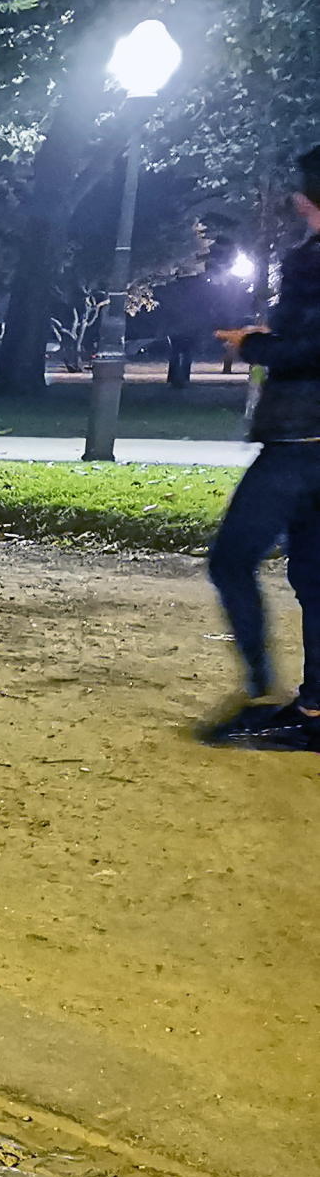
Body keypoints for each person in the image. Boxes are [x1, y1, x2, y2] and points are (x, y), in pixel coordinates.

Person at [202, 145, 320, 749]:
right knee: (314, 574)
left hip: (303, 439)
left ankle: (262, 693)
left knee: (231, 558)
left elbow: (309, 351)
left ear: (307, 199)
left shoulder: (312, 262)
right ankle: (313, 711)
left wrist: (253, 345)